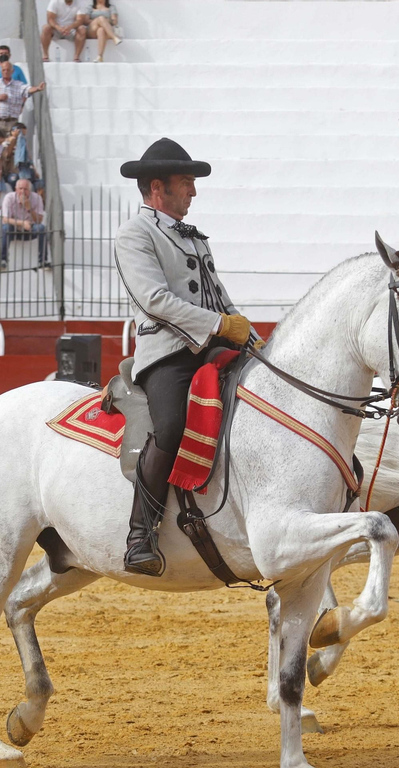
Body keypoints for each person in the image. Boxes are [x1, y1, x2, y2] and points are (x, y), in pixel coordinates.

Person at [114, 138, 254, 575]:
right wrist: (217, 326)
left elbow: (217, 295)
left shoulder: (193, 237)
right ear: (158, 188)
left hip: (211, 345)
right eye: (186, 183)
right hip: (167, 353)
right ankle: (141, 533)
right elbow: (154, 300)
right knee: (172, 426)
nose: (193, 192)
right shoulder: (134, 234)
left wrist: (246, 334)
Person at [0, 60, 45, 136]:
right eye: (4, 70)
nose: (6, 72)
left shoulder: (19, 84)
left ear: (12, 71)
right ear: (1, 71)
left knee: (12, 146)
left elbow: (28, 90)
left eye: (8, 70)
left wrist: (37, 88)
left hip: (12, 122)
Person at [0, 177, 46, 269]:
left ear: (30, 190)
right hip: (14, 230)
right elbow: (5, 219)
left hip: (30, 230)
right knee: (6, 228)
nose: (23, 191)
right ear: (16, 189)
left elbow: (39, 220)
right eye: (20, 189)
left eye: (25, 189)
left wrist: (29, 208)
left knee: (41, 228)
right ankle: (3, 259)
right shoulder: (9, 197)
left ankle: (43, 261)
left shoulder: (37, 198)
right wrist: (22, 223)